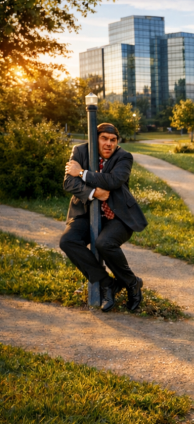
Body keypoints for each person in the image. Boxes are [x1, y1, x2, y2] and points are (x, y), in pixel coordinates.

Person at [60, 123, 148, 312]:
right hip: (85, 212)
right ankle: (108, 284)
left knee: (104, 243)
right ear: (95, 138)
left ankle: (132, 283)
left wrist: (82, 173)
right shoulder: (80, 151)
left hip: (118, 216)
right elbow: (68, 182)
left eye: (113, 140)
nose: (109, 144)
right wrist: (94, 193)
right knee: (68, 241)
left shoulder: (124, 156)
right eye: (104, 138)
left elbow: (115, 180)